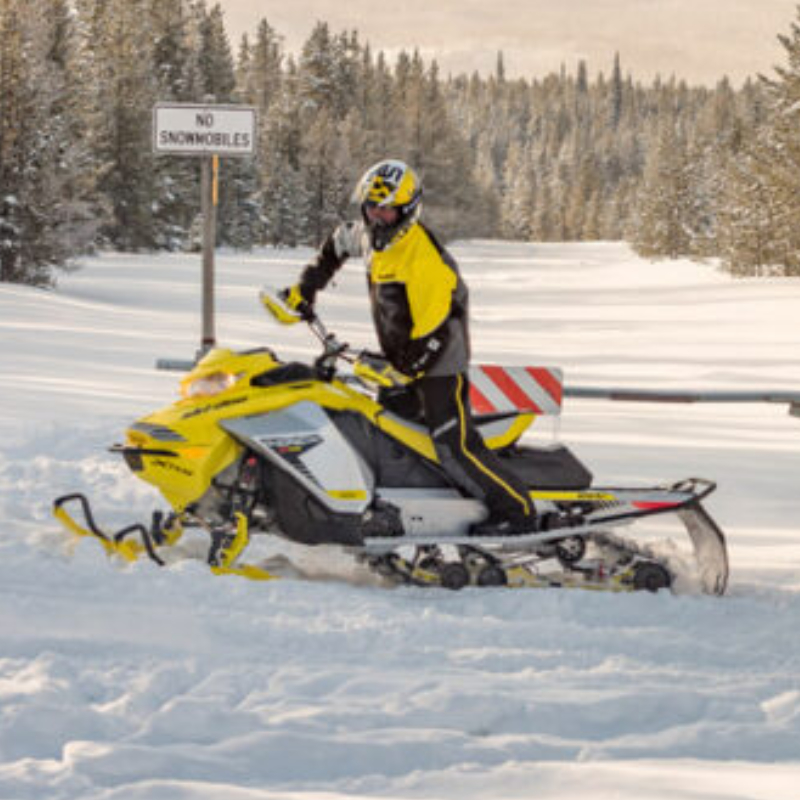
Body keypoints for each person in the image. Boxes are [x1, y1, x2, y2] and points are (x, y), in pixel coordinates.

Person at [280, 159, 540, 536]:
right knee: (391, 436)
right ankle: (407, 512)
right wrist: (307, 286)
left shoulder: (425, 260)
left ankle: (518, 513)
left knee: (454, 445)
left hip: (438, 365)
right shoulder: (371, 235)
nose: (376, 216)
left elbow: (434, 334)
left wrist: (404, 370)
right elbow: (337, 243)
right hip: (401, 355)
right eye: (370, 207)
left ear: (406, 210)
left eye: (385, 209)